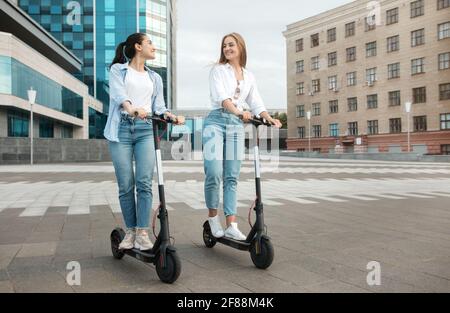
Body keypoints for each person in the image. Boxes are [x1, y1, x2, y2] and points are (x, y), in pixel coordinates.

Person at [104, 33, 184, 250]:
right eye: (150, 43)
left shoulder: (155, 78)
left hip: (146, 130)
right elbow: (119, 96)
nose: (154, 47)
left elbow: (159, 106)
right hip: (121, 128)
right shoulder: (118, 70)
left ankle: (142, 232)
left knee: (144, 182)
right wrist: (132, 108)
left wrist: (170, 115)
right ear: (138, 46)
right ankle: (129, 232)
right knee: (126, 184)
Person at [203, 32, 282, 240]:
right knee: (214, 172)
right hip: (216, 122)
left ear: (240, 47)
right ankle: (213, 219)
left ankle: (231, 224)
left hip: (236, 126)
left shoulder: (249, 75)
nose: (227, 49)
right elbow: (223, 98)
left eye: (231, 45)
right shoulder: (218, 71)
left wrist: (268, 117)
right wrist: (238, 112)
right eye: (224, 46)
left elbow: (256, 102)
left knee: (232, 176)